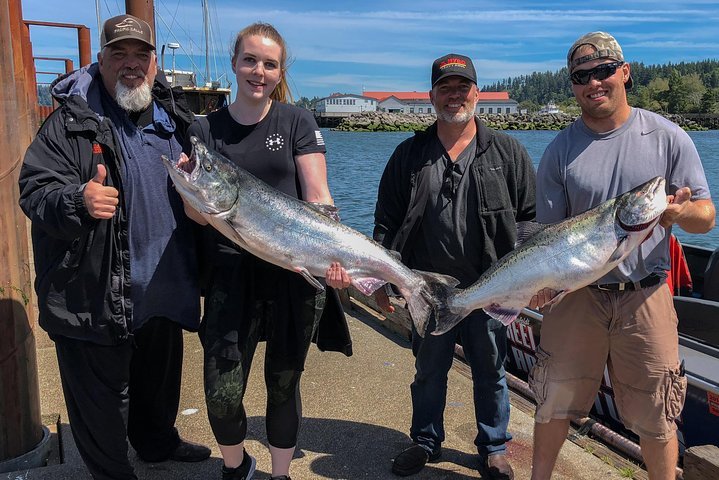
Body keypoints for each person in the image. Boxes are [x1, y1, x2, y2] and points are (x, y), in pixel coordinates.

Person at [18, 14, 211, 480]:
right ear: (99, 59)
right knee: (102, 406)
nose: (131, 64)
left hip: (164, 288)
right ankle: (111, 473)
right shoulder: (70, 123)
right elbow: (34, 190)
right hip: (95, 292)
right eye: (118, 54)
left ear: (153, 63)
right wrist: (77, 199)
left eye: (140, 55)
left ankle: (158, 442)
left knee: (157, 386)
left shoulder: (176, 120)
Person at [529, 32, 716, 480]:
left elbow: (706, 217)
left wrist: (679, 211)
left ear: (624, 73)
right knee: (553, 403)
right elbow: (546, 237)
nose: (594, 82)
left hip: (646, 295)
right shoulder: (559, 150)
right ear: (572, 86)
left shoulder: (669, 138)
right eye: (582, 76)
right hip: (576, 296)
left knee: (658, 416)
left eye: (604, 71)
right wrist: (536, 287)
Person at [181, 22, 351, 480]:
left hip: (292, 274)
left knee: (283, 382)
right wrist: (191, 192)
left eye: (270, 64)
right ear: (234, 64)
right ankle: (236, 468)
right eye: (250, 60)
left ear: (280, 72)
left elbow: (319, 195)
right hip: (229, 275)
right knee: (221, 391)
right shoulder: (204, 129)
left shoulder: (296, 120)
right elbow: (200, 217)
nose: (259, 71)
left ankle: (280, 474)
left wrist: (334, 255)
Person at [373, 53, 536, 480]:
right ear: (431, 96)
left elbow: (529, 223)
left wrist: (533, 281)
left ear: (477, 94)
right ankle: (425, 440)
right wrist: (378, 281)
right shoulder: (409, 155)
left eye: (462, 87)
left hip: (491, 288)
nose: (454, 95)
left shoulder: (509, 152)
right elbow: (385, 224)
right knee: (428, 371)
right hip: (426, 291)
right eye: (445, 88)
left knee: (492, 372)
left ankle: (494, 447)